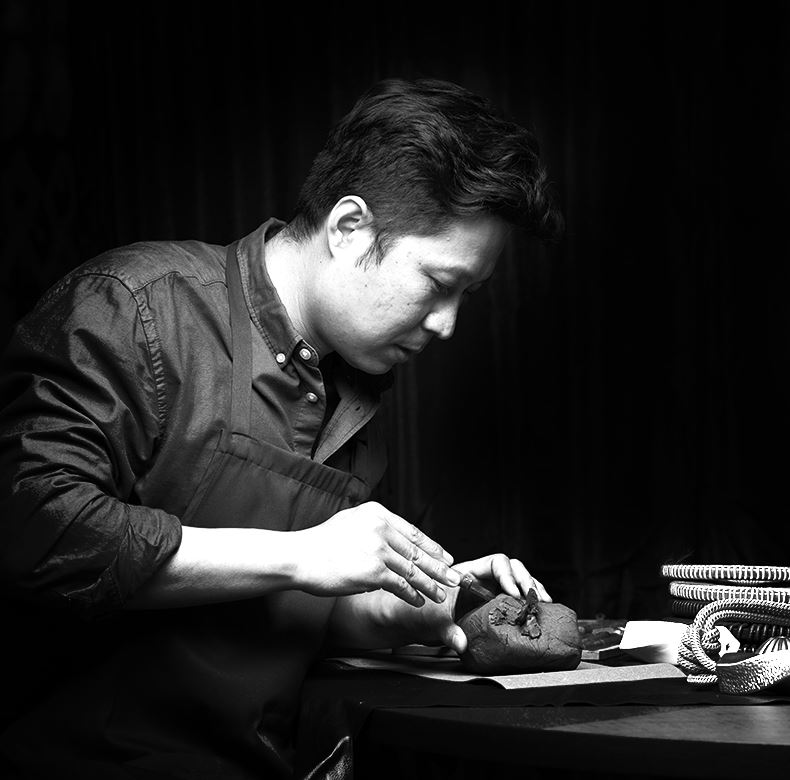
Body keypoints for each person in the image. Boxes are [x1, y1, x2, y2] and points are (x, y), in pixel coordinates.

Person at [0, 77, 562, 779]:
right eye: (438, 283)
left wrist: (408, 602)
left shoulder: (357, 392)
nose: (447, 324)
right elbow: (38, 533)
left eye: (467, 296)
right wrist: (301, 554)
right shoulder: (137, 308)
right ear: (349, 229)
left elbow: (284, 612)